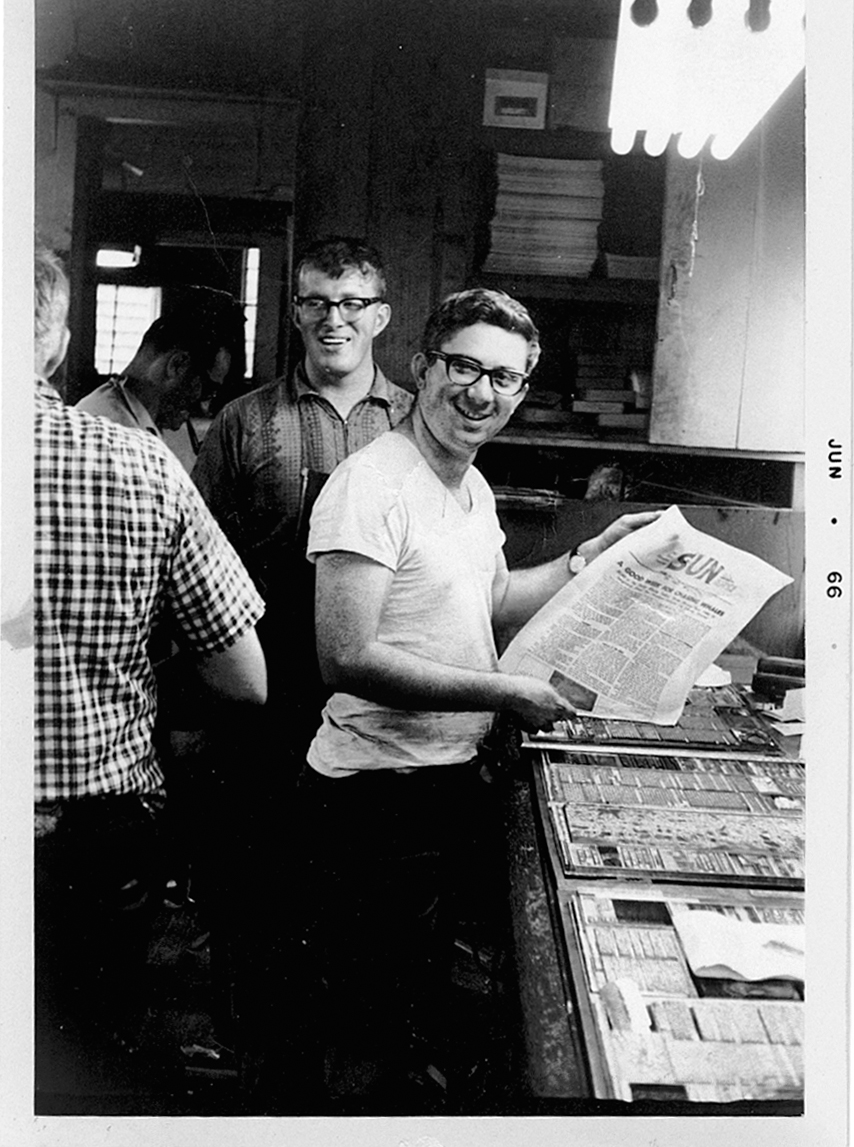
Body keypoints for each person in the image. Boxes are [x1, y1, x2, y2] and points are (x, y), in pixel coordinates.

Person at [300, 288, 660, 1106]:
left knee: (408, 1012)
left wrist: (586, 559)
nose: (480, 392)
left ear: (521, 391)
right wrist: (506, 691)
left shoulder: (471, 487)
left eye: (504, 377)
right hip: (370, 798)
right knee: (362, 1030)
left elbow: (488, 599)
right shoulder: (371, 483)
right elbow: (346, 654)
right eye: (464, 366)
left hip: (440, 782)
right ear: (423, 368)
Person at [33, 243, 267, 1102]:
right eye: (198, 386)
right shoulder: (135, 462)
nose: (202, 405)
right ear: (56, 345)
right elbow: (245, 679)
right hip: (94, 822)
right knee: (87, 1047)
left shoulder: (157, 436)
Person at [189, 237, 413, 1103]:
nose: (335, 319)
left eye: (354, 303)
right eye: (318, 301)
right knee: (261, 881)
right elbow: (195, 558)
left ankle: (347, 1066)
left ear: (381, 317)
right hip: (269, 686)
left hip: (375, 685)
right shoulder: (248, 421)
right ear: (296, 312)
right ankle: (260, 1063)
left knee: (355, 885)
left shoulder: (412, 419)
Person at [76, 285, 246, 472]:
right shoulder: (116, 435)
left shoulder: (124, 411)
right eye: (208, 389)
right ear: (177, 365)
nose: (206, 406)